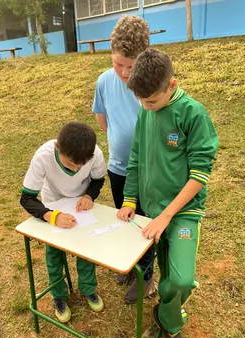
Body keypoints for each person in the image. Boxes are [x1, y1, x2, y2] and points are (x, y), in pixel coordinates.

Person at [118, 48, 219, 338]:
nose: (146, 107)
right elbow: (135, 158)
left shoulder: (193, 114)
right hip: (149, 211)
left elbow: (199, 175)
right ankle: (170, 322)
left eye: (151, 101)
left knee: (182, 279)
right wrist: (130, 199)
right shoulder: (145, 111)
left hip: (182, 214)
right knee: (165, 270)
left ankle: (165, 317)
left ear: (171, 85)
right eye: (141, 102)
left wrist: (166, 216)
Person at [92, 15, 156, 303]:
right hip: (118, 168)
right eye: (118, 63)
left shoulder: (153, 82)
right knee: (124, 215)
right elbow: (102, 118)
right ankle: (130, 265)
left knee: (145, 222)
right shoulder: (105, 80)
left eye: (130, 67)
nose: (123, 72)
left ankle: (146, 273)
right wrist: (118, 140)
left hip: (149, 170)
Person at [19, 122, 107, 323]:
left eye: (80, 165)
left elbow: (98, 180)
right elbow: (27, 198)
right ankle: (59, 296)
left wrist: (89, 196)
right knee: (55, 252)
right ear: (57, 147)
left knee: (85, 247)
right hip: (52, 203)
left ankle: (88, 289)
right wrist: (53, 216)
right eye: (69, 164)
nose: (75, 169)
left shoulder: (95, 154)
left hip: (80, 207)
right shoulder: (44, 156)